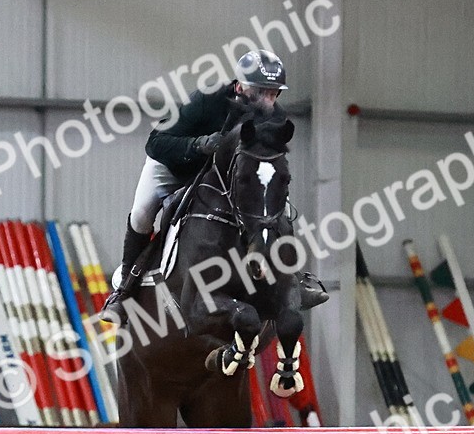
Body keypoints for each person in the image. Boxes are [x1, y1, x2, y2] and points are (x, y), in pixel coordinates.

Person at [103, 49, 328, 322]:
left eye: (274, 93)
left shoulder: (273, 116)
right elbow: (156, 142)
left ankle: (291, 278)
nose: (269, 100)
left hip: (223, 177)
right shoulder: (207, 100)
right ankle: (125, 286)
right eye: (262, 91)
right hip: (175, 165)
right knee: (142, 213)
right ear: (241, 85)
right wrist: (199, 144)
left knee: (278, 206)